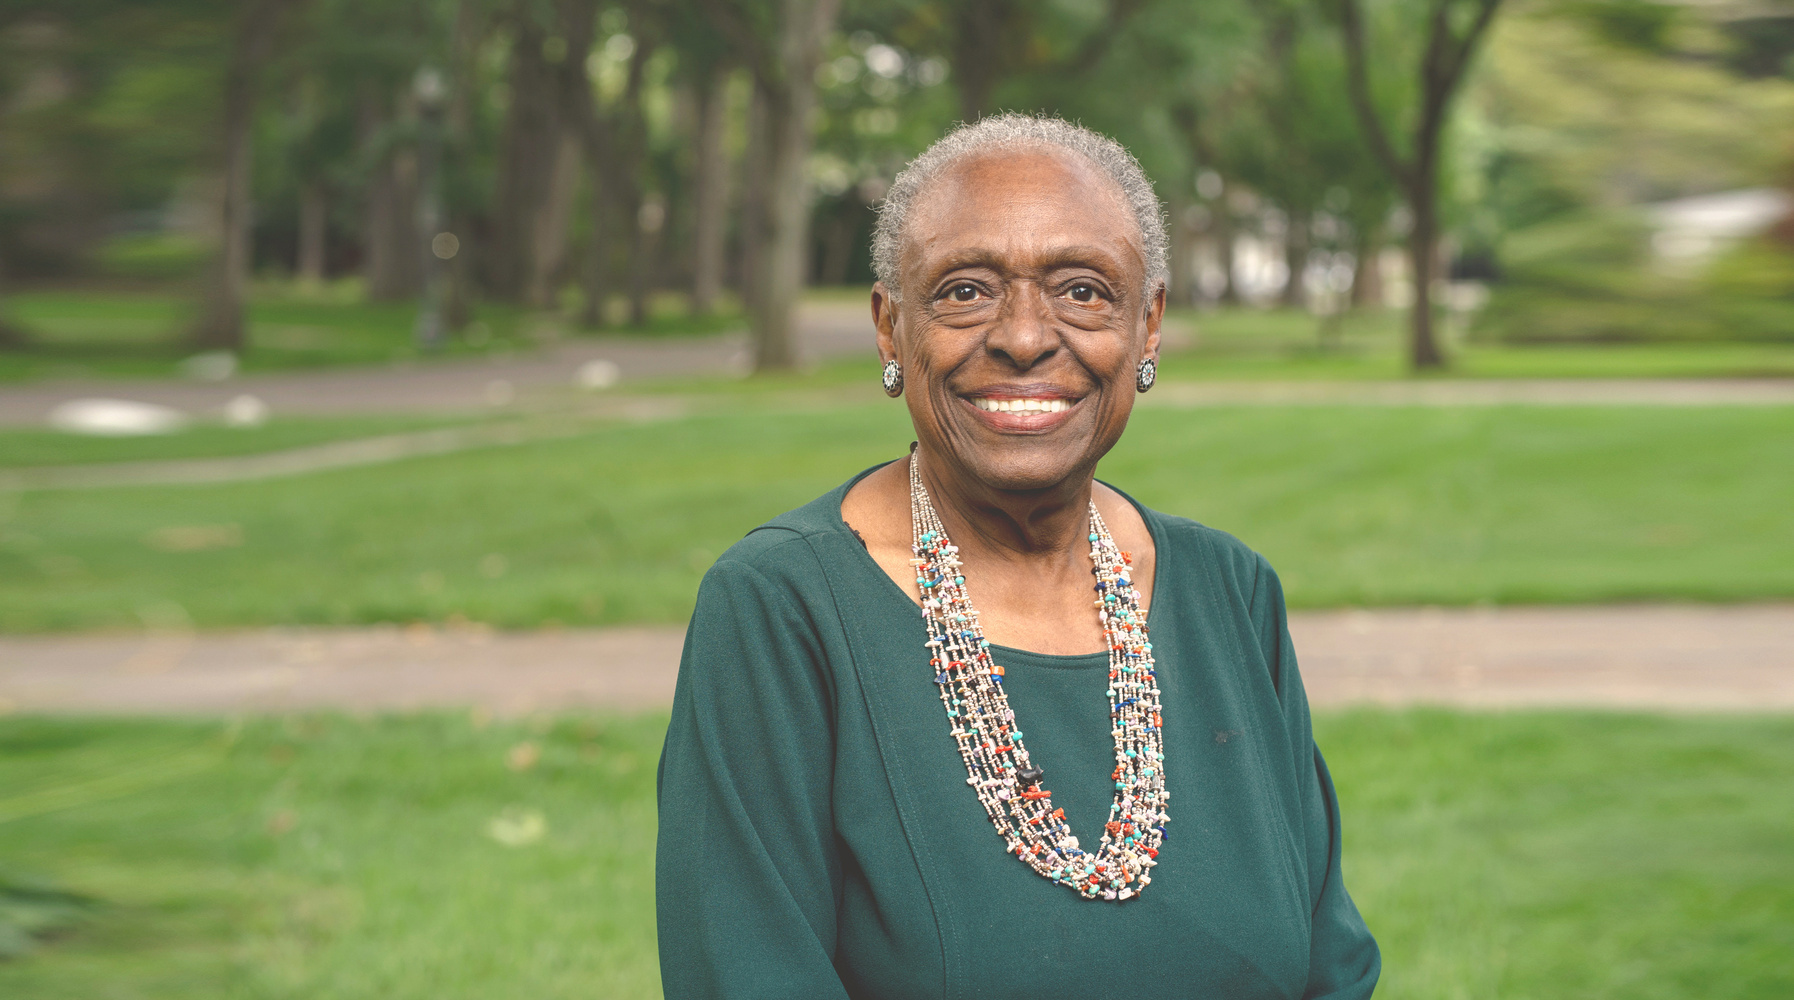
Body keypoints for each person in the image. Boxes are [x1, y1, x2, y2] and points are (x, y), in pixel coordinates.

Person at [656, 114, 1380, 999]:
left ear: (1147, 326)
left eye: (1082, 290)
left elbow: (1329, 968)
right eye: (965, 291)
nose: (1026, 338)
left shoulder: (1230, 593)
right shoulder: (783, 610)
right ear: (892, 330)